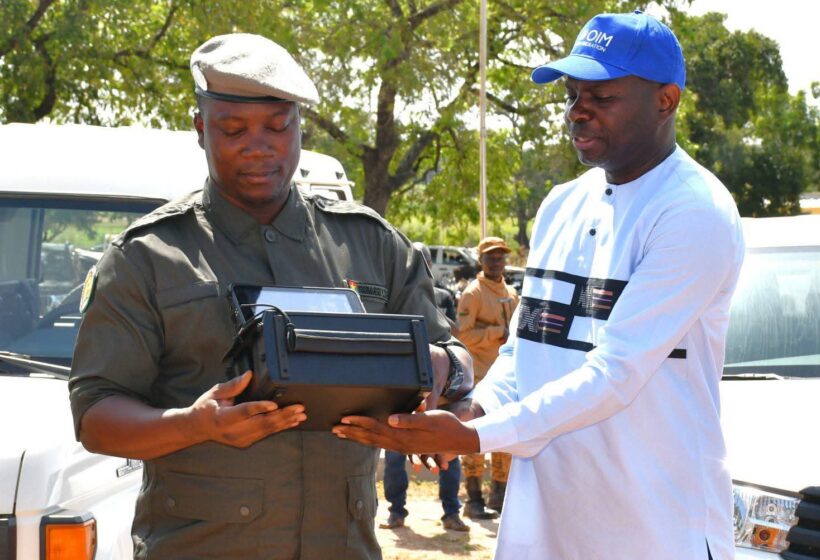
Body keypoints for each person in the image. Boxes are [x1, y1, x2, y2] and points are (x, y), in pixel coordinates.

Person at [333, 11, 744, 560]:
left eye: (601, 97)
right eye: (573, 95)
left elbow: (614, 376)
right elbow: (528, 351)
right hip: (545, 525)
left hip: (655, 529)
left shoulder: (695, 212)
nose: (579, 112)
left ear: (666, 100)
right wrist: (471, 412)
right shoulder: (561, 204)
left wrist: (474, 438)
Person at [68, 33, 473, 560]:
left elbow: (451, 356)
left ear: (299, 128)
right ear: (200, 129)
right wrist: (194, 424)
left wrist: (449, 385)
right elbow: (96, 415)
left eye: (279, 127)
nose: (259, 146)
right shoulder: (149, 256)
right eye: (233, 129)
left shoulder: (371, 244)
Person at [379, 241, 468, 532]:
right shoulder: (393, 295)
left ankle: (452, 512)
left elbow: (456, 331)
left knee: (445, 451)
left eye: (425, 262)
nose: (421, 267)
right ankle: (396, 511)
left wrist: (435, 321)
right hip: (400, 387)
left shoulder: (443, 296)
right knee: (395, 454)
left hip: (439, 389)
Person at [456, 237, 519, 517]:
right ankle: (473, 500)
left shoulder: (512, 293)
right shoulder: (473, 293)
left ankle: (499, 497)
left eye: (501, 257)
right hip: (480, 378)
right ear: (480, 260)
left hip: (507, 378)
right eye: (491, 257)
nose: (497, 262)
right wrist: (494, 333)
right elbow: (462, 335)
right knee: (476, 438)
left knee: (506, 438)